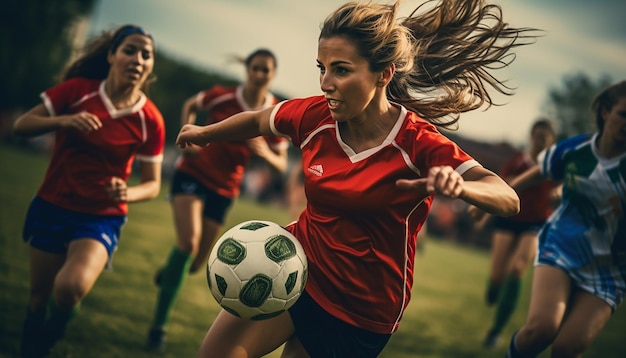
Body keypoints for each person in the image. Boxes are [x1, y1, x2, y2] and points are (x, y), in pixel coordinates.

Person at [176, 1, 537, 356]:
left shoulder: (417, 142)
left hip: (359, 308)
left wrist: (463, 187)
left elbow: (507, 197)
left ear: (384, 74)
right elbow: (257, 120)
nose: (325, 83)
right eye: (322, 68)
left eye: (341, 70)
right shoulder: (314, 117)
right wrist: (206, 133)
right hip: (296, 268)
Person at [12, 25, 164, 357]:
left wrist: (127, 192)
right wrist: (63, 121)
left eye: (146, 54)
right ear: (111, 55)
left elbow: (153, 184)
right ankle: (32, 347)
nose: (138, 59)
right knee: (39, 297)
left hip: (101, 217)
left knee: (70, 288)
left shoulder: (149, 119)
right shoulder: (77, 92)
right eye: (130, 50)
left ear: (151, 66)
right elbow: (21, 125)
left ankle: (55, 331)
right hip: (52, 204)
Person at [146, 48, 288, 351]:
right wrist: (188, 140)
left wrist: (265, 153)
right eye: (256, 68)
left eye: (266, 70)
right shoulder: (223, 95)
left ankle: (170, 273)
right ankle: (158, 327)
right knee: (188, 242)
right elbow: (190, 104)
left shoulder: (273, 110)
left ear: (273, 74)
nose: (260, 74)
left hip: (225, 190)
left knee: (197, 264)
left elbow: (281, 164)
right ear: (247, 70)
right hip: (193, 175)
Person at [505, 81, 626, 357]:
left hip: (610, 269)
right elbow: (542, 170)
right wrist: (504, 191)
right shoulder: (576, 149)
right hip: (562, 245)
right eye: (624, 115)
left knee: (566, 348)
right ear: (606, 112)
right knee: (541, 331)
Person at [467, 119, 558, 348]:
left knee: (517, 268)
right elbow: (499, 190)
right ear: (531, 137)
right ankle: (494, 290)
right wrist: (484, 214)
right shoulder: (517, 162)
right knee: (497, 278)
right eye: (537, 136)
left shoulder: (554, 164)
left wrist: (559, 191)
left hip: (536, 223)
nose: (540, 140)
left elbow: (565, 184)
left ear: (551, 140)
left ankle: (495, 331)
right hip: (508, 220)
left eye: (545, 137)